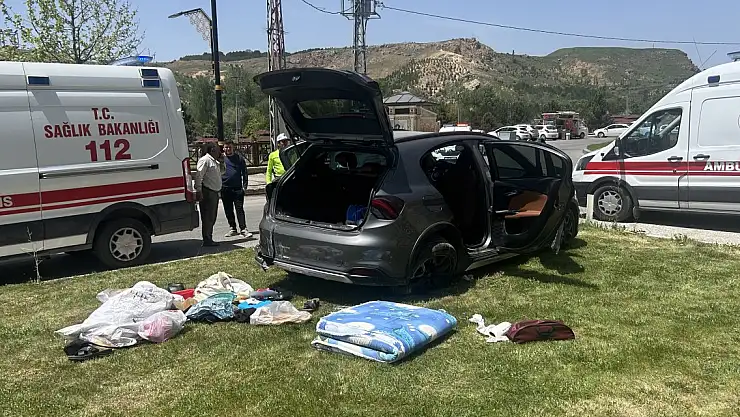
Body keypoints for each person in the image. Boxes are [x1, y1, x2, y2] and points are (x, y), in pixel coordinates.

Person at [221, 141, 253, 238]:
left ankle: (243, 229)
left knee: (239, 209)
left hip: (237, 188)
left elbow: (244, 172)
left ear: (233, 148)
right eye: (226, 147)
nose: (228, 149)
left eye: (230, 147)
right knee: (228, 209)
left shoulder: (239, 158)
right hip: (225, 188)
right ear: (223, 148)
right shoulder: (221, 159)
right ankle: (233, 228)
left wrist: (244, 186)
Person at [195, 142, 222, 247]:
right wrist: (199, 190)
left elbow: (221, 173)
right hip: (208, 192)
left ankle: (209, 237)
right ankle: (207, 239)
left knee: (212, 216)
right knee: (208, 217)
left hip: (214, 192)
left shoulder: (214, 161)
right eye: (218, 149)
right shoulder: (205, 160)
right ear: (212, 149)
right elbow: (199, 176)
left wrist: (222, 162)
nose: (220, 151)